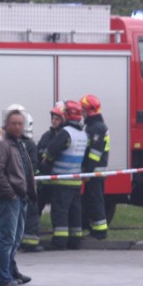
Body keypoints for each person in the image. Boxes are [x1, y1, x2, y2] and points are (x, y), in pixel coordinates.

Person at [0, 107, 37, 286]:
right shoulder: (2, 144)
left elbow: (25, 169)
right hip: (9, 199)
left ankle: (9, 274)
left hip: (20, 198)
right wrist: (10, 194)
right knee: (7, 239)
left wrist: (29, 194)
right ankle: (4, 279)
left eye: (20, 123)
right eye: (14, 123)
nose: (17, 127)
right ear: (6, 125)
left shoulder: (18, 144)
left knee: (15, 239)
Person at [40, 101, 88, 250]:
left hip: (62, 180)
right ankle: (75, 241)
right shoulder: (83, 133)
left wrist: (45, 162)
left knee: (60, 212)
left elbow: (51, 151)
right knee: (75, 212)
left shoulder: (66, 132)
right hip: (76, 180)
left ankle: (59, 242)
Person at [80, 94, 110, 239]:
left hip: (95, 173)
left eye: (83, 111)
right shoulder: (93, 126)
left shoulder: (97, 128)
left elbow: (94, 153)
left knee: (95, 200)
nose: (82, 114)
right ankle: (95, 229)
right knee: (91, 200)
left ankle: (100, 232)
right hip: (94, 172)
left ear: (90, 111)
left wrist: (88, 172)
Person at [36, 102, 66, 215]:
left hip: (59, 183)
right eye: (53, 118)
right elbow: (37, 153)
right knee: (36, 207)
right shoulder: (46, 136)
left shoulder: (65, 137)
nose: (53, 121)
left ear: (63, 120)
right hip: (44, 182)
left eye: (57, 119)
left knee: (58, 211)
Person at [20, 112, 44, 252]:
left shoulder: (11, 143)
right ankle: (30, 243)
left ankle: (21, 241)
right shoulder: (30, 145)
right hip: (27, 186)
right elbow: (33, 166)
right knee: (31, 213)